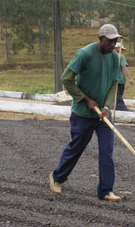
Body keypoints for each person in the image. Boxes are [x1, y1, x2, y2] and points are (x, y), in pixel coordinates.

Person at [50, 24, 122, 202]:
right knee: (76, 148)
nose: (113, 44)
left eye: (115, 41)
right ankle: (57, 177)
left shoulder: (115, 58)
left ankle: (106, 190)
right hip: (83, 113)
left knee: (107, 150)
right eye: (110, 41)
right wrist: (85, 99)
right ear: (100, 39)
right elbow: (66, 79)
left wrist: (106, 108)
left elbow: (114, 84)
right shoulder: (85, 54)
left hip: (103, 115)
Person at [114, 42, 134, 111]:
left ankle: (115, 109)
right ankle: (122, 110)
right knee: (118, 96)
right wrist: (130, 78)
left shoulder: (108, 56)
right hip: (119, 80)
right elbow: (124, 67)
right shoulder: (120, 56)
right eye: (121, 49)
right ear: (117, 48)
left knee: (114, 96)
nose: (122, 51)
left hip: (110, 80)